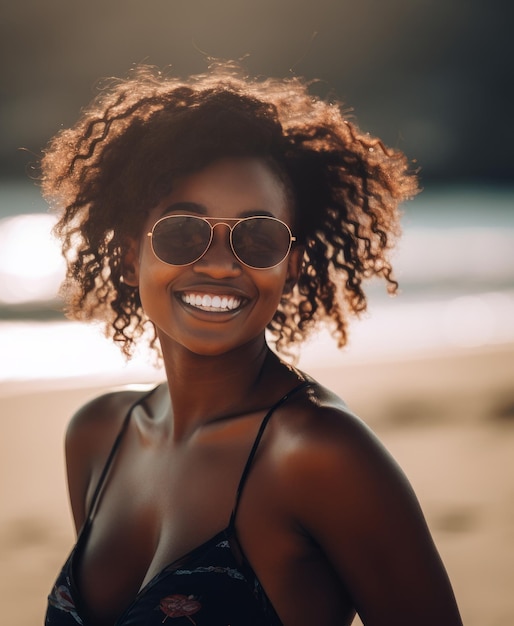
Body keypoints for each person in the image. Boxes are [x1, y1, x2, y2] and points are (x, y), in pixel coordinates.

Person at [40, 61, 463, 626]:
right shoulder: (98, 434)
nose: (218, 264)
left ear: (289, 265)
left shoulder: (320, 455)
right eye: (182, 231)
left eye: (257, 236)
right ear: (128, 255)